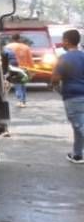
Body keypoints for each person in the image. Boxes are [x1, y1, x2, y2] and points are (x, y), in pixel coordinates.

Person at [50, 29, 84, 164]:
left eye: (63, 40)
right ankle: (77, 154)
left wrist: (54, 85)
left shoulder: (64, 58)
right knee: (78, 126)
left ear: (67, 41)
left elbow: (55, 78)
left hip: (73, 96)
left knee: (80, 125)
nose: (61, 43)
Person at [3, 36, 32, 108]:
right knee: (23, 85)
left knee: (17, 85)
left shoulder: (7, 47)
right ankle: (23, 101)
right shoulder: (26, 47)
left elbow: (5, 59)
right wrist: (32, 70)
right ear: (19, 39)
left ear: (12, 39)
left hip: (14, 68)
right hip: (24, 68)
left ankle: (20, 100)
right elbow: (30, 60)